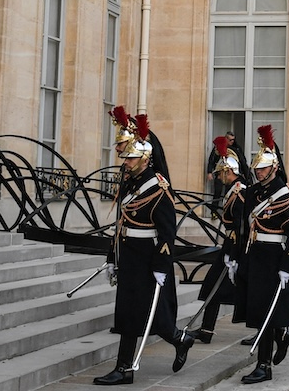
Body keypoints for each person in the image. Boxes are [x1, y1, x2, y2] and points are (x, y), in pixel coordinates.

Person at [93, 110, 195, 386]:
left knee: (151, 312)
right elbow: (121, 224)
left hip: (149, 259)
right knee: (129, 312)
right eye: (125, 158)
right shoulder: (131, 182)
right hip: (129, 255)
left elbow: (166, 233)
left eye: (130, 157)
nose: (125, 162)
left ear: (145, 159)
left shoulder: (158, 188)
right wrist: (112, 257)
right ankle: (129, 366)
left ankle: (134, 362)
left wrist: (162, 265)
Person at [232, 125, 289, 384]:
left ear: (274, 168)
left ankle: (264, 366)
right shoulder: (253, 192)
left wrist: (288, 265)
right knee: (258, 310)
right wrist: (238, 257)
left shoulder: (286, 195)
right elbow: (245, 227)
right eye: (256, 168)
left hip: (275, 259)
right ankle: (282, 337)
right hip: (255, 256)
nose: (258, 172)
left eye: (262, 168)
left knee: (266, 312)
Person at [188, 135, 250, 344]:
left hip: (237, 248)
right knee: (213, 285)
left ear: (229, 171)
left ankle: (272, 330)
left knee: (250, 291)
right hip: (230, 245)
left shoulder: (240, 192)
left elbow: (243, 225)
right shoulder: (233, 190)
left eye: (220, 173)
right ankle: (206, 330)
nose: (218, 178)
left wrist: (235, 253)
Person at [206, 131, 251, 206]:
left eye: (233, 140)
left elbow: (243, 161)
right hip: (221, 172)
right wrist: (209, 171)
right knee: (217, 191)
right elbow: (211, 160)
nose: (232, 142)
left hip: (232, 173)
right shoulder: (218, 148)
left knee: (230, 191)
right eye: (230, 140)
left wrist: (246, 175)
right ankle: (214, 210)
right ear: (226, 138)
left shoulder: (236, 148)